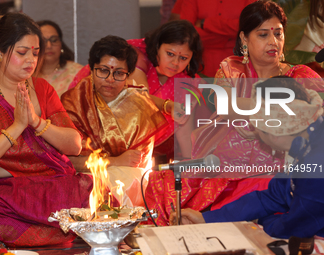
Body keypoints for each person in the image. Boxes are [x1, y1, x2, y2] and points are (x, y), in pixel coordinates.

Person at [145, 0, 324, 226]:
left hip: (275, 164)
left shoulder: (301, 74)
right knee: (162, 185)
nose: (273, 42)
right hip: (225, 158)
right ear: (244, 39)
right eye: (262, 35)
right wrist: (280, 108)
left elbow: (315, 119)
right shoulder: (232, 69)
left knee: (253, 201)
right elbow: (226, 106)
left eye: (278, 34)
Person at [0, 13, 92, 247]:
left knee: (103, 195)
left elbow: (74, 145)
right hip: (4, 197)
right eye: (22, 53)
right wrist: (16, 127)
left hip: (54, 188)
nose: (31, 60)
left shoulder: (42, 88)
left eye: (35, 53)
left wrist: (35, 121)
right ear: (0, 52)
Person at [170, 76, 324, 239]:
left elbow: (294, 227)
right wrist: (206, 218)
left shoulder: (315, 163)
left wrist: (260, 222)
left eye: (256, 127)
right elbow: (273, 195)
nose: (254, 131)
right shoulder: (307, 143)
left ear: (273, 133)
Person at [61, 35, 168, 206]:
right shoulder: (73, 103)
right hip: (80, 181)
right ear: (92, 69)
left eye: (118, 73)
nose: (110, 79)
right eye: (103, 70)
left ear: (128, 74)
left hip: (127, 185)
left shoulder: (140, 106)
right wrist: (114, 161)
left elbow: (138, 166)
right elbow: (65, 161)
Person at [127, 20, 203, 160]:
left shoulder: (187, 81)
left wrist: (191, 166)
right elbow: (138, 95)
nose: (175, 63)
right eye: (170, 54)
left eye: (183, 58)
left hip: (138, 149)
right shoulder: (137, 56)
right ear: (157, 46)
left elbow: (184, 131)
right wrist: (168, 106)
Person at [177, 0, 256, 77]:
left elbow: (247, 26)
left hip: (239, 63)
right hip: (199, 63)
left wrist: (205, 23)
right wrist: (228, 36)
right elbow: (186, 31)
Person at [37, 20, 83, 97]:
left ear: (61, 44)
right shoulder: (26, 75)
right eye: (43, 41)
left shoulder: (77, 73)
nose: (49, 46)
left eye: (54, 40)